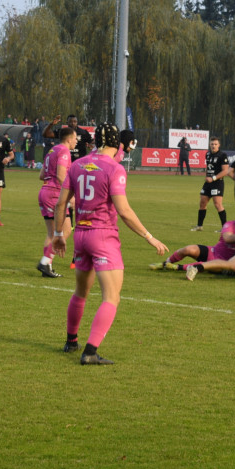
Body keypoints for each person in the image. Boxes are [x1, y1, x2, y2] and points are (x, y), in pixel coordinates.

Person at [52, 123, 168, 366]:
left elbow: (61, 203)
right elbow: (124, 211)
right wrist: (150, 236)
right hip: (102, 236)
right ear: (118, 144)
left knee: (80, 293)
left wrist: (58, 234)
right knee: (111, 297)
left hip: (81, 236)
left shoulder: (78, 164)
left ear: (95, 141)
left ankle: (71, 341)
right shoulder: (114, 168)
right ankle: (90, 351)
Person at [151, 207, 235, 271]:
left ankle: (176, 267)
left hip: (224, 263)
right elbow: (227, 238)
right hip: (213, 252)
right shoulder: (230, 225)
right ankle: (166, 263)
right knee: (188, 249)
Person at [36, 126, 77, 278]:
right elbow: (61, 175)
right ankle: (45, 261)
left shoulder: (52, 151)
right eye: (75, 138)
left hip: (44, 191)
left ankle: (47, 266)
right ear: (68, 139)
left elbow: (42, 175)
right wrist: (71, 196)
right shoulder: (64, 152)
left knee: (51, 233)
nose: (76, 141)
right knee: (65, 230)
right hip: (54, 194)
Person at [191, 137, 232, 231]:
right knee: (202, 202)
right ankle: (199, 226)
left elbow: (225, 171)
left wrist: (213, 178)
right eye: (212, 144)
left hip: (217, 182)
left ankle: (224, 228)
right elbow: (208, 167)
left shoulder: (222, 155)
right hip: (208, 183)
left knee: (218, 204)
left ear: (219, 145)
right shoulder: (208, 154)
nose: (213, 146)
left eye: (215, 144)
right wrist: (207, 176)